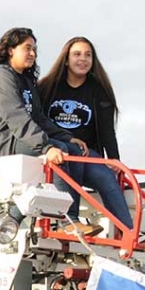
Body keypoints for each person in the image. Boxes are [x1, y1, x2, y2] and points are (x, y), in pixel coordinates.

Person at [0, 28, 102, 237]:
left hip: (10, 138)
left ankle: (23, 218)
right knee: (57, 152)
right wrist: (48, 147)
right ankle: (67, 221)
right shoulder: (0, 75)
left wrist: (66, 136)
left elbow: (39, 118)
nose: (32, 54)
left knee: (70, 148)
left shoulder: (25, 80)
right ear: (10, 50)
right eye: (27, 48)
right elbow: (16, 117)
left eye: (34, 49)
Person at [37, 36, 133, 231]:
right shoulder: (47, 87)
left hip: (87, 155)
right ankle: (71, 222)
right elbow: (36, 119)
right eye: (77, 54)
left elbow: (107, 129)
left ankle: (129, 232)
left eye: (88, 55)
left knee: (107, 178)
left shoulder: (99, 90)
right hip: (54, 153)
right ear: (66, 59)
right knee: (70, 152)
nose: (83, 59)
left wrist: (114, 159)